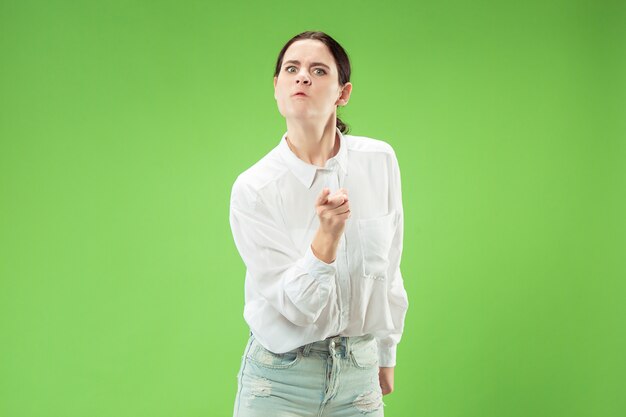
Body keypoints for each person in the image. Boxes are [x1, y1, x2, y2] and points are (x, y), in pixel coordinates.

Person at [229, 30, 409, 417]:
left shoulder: (379, 161)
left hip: (359, 371)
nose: (302, 77)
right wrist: (326, 237)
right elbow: (297, 308)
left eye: (318, 70)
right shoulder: (255, 189)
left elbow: (390, 265)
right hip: (280, 380)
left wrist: (385, 350)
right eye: (291, 69)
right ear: (277, 88)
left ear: (343, 93)